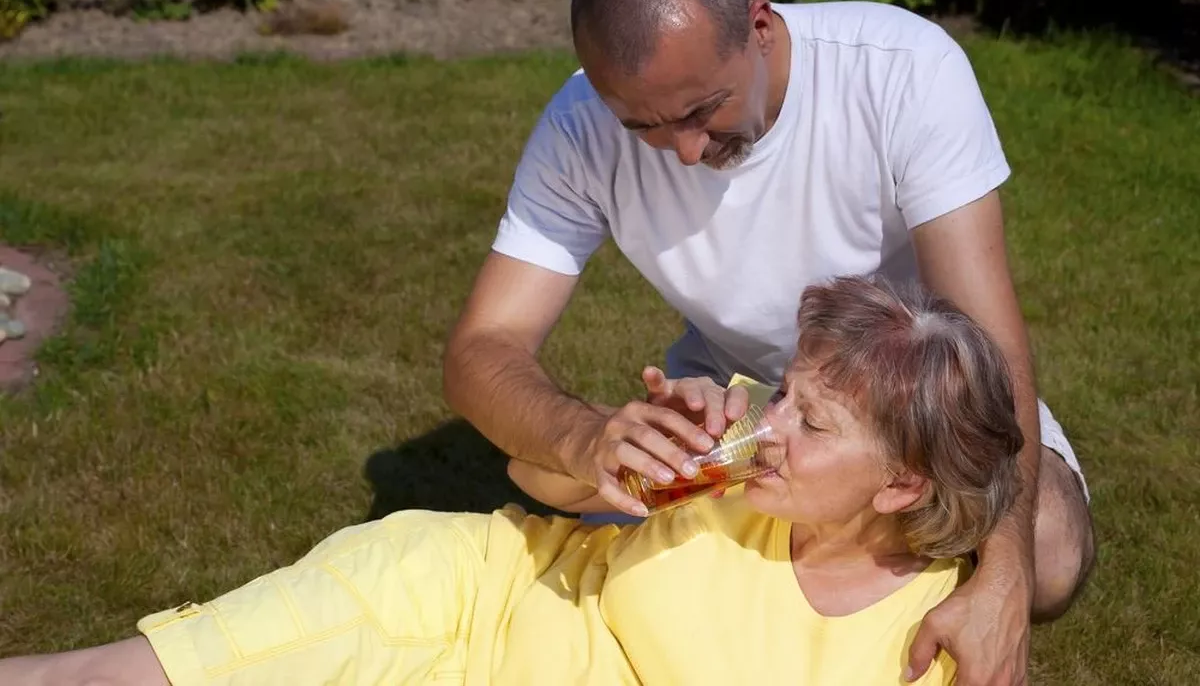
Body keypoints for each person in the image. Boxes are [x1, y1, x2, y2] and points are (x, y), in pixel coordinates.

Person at [441, 0, 1095, 685]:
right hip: (742, 406)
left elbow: (989, 340)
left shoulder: (902, 70)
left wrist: (1006, 574)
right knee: (553, 472)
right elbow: (481, 348)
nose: (686, 151)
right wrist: (582, 436)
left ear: (758, 25)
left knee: (1047, 556)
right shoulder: (579, 126)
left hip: (921, 402)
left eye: (703, 109)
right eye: (644, 127)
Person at [1, 275, 1023, 686]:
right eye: (788, 391)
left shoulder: (924, 641)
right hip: (466, 600)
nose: (775, 423)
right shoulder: (731, 449)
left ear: (901, 486)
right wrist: (603, 452)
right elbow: (531, 477)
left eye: (814, 421)